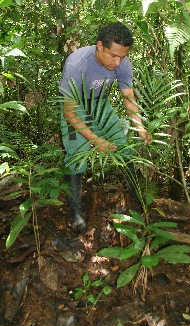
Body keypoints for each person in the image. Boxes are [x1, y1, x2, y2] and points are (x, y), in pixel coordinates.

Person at [59, 21, 152, 233]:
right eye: (113, 56)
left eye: (123, 56)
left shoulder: (123, 63)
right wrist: (95, 139)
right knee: (76, 157)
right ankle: (75, 213)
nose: (118, 62)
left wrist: (140, 126)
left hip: (100, 104)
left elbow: (128, 97)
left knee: (122, 147)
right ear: (100, 46)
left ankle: (136, 197)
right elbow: (69, 112)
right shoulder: (77, 64)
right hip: (76, 106)